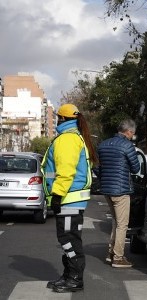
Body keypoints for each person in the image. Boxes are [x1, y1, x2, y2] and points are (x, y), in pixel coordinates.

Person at [41, 103, 98, 293]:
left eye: (58, 117)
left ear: (62, 119)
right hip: (72, 199)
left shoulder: (66, 139)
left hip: (68, 199)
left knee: (68, 239)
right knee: (69, 238)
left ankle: (74, 278)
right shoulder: (74, 137)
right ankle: (69, 275)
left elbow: (65, 171)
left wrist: (57, 195)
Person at [98, 119, 140, 268]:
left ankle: (111, 253)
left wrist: (105, 179)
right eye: (132, 133)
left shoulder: (103, 145)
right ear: (128, 131)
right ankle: (118, 257)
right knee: (123, 224)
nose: (132, 136)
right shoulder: (127, 146)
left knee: (116, 222)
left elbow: (97, 168)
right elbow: (136, 168)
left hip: (106, 189)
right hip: (121, 190)